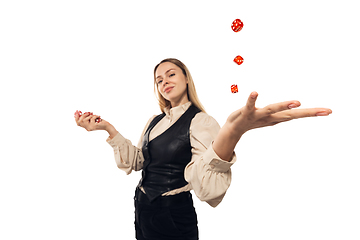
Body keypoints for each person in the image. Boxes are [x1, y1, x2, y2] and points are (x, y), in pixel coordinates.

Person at [74, 58, 332, 240]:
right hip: (142, 209)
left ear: (186, 78)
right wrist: (108, 129)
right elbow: (139, 162)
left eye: (171, 74)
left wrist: (232, 133)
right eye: (159, 79)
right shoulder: (154, 121)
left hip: (173, 215)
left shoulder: (201, 121)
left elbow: (206, 188)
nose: (164, 81)